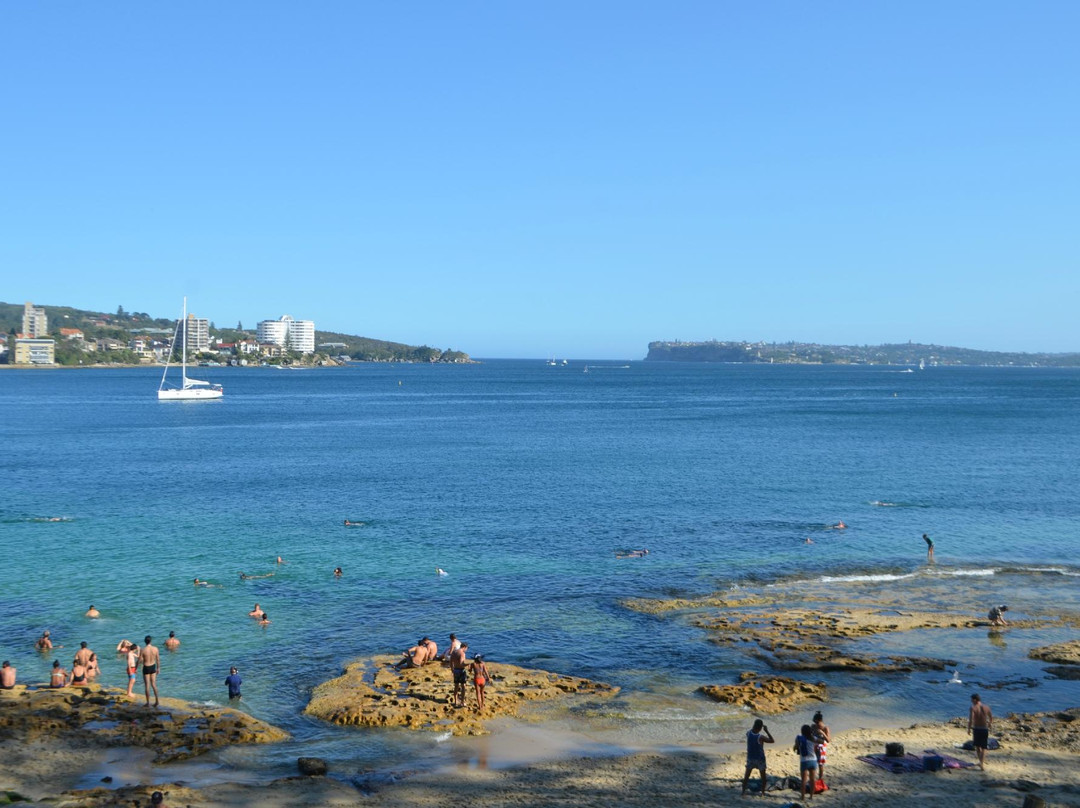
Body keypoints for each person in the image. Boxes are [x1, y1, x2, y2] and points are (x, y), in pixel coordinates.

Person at [741, 718, 774, 796]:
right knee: (763, 778)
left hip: (750, 758)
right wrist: (766, 731)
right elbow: (772, 740)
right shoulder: (760, 737)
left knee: (746, 776)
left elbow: (749, 733)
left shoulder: (748, 733)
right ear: (760, 728)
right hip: (760, 759)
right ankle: (762, 793)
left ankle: (743, 792)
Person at [794, 724, 818, 800]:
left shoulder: (799, 738)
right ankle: (811, 796)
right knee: (812, 779)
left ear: (802, 731)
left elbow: (796, 747)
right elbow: (819, 744)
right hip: (813, 760)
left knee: (803, 781)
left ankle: (803, 797)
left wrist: (796, 747)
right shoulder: (813, 738)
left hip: (804, 761)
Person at [968, 693, 993, 769]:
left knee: (978, 747)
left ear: (975, 700)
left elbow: (971, 719)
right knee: (984, 747)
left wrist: (969, 728)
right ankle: (981, 762)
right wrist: (990, 723)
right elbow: (991, 717)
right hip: (984, 728)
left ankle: (981, 763)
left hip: (977, 728)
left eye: (972, 699)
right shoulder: (986, 707)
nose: (971, 701)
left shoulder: (973, 708)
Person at [140, 635, 160, 707]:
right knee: (154, 684)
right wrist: (158, 668)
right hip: (153, 666)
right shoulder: (155, 649)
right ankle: (157, 701)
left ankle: (148, 703)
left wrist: (135, 667)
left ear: (145, 641)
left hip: (146, 667)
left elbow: (140, 660)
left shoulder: (143, 650)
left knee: (147, 686)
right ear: (151, 641)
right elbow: (158, 659)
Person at [812, 710, 831, 781]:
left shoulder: (825, 728)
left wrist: (822, 733)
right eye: (815, 722)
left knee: (820, 764)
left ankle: (820, 778)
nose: (816, 724)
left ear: (820, 721)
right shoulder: (813, 726)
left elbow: (828, 740)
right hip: (814, 746)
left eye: (817, 722)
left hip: (821, 747)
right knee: (813, 762)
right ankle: (813, 777)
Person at [450, 642, 469, 707]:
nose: (466, 650)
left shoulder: (454, 652)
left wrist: (452, 670)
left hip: (455, 670)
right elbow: (461, 663)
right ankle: (462, 702)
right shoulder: (462, 653)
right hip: (461, 671)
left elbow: (451, 662)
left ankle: (455, 701)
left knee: (456, 686)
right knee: (463, 686)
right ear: (464, 647)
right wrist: (468, 664)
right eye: (467, 648)